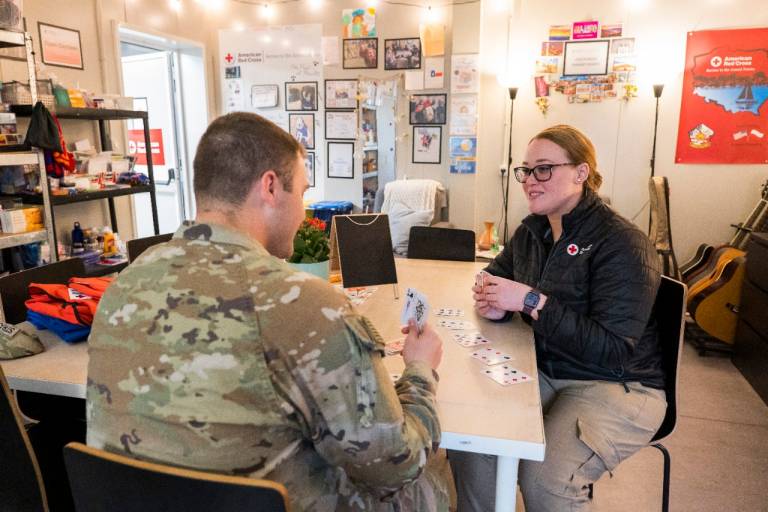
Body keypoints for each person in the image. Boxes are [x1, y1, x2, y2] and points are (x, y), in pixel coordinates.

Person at [86, 112, 450, 512]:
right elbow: (394, 465)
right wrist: (420, 371)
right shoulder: (307, 303)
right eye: (303, 193)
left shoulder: (122, 284)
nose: (304, 212)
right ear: (271, 187)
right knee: (429, 479)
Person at [449, 124, 666, 512]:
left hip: (617, 383)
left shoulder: (623, 242)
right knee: (474, 441)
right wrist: (493, 299)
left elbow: (613, 350)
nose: (531, 180)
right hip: (544, 366)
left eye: (544, 169)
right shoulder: (532, 229)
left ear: (581, 173)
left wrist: (531, 301)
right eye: (526, 170)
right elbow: (494, 276)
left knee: (546, 481)